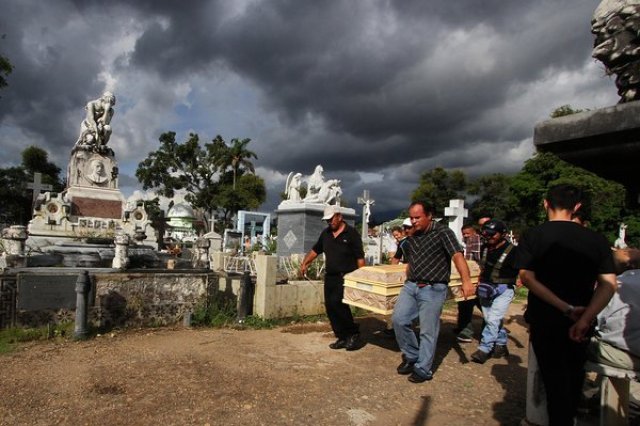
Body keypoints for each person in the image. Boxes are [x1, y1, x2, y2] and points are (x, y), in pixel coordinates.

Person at [515, 184, 617, 425]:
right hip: (581, 323)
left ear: (545, 203)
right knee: (573, 378)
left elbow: (527, 277)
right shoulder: (597, 239)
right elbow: (608, 284)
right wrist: (585, 317)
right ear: (577, 207)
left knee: (554, 383)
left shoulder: (534, 235)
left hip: (546, 319)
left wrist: (565, 308)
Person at [392, 201, 474, 383]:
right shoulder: (412, 235)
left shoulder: (443, 232)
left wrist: (466, 281)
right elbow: (411, 259)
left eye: (417, 217)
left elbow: (457, 256)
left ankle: (423, 369)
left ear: (429, 215)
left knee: (428, 331)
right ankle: (412, 355)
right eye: (411, 217)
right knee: (399, 320)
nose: (413, 221)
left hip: (433, 288)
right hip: (411, 285)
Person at [301, 205, 365, 351]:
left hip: (346, 277)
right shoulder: (326, 234)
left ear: (339, 216)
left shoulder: (352, 234)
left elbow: (360, 258)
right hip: (330, 277)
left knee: (339, 304)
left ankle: (353, 334)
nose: (329, 222)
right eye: (327, 220)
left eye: (331, 219)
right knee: (330, 307)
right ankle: (341, 336)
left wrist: (362, 279)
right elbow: (315, 250)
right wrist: (305, 262)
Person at [470, 220, 518, 363]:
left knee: (492, 319)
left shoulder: (513, 251)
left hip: (504, 289)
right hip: (486, 288)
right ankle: (501, 344)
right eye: (486, 233)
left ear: (503, 234)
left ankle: (484, 349)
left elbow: (523, 269)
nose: (488, 236)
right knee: (491, 319)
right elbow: (482, 268)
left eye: (492, 234)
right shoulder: (485, 248)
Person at [588, 248, 640, 370]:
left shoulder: (617, 285)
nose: (633, 248)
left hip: (627, 356)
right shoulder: (625, 283)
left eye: (627, 250)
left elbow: (595, 321)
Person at [455, 223, 482, 343]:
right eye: (464, 234)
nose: (466, 236)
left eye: (468, 233)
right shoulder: (464, 244)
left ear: (474, 232)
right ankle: (464, 329)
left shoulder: (475, 241)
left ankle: (467, 331)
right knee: (464, 304)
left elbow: (474, 261)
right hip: (468, 278)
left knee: (483, 306)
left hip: (476, 278)